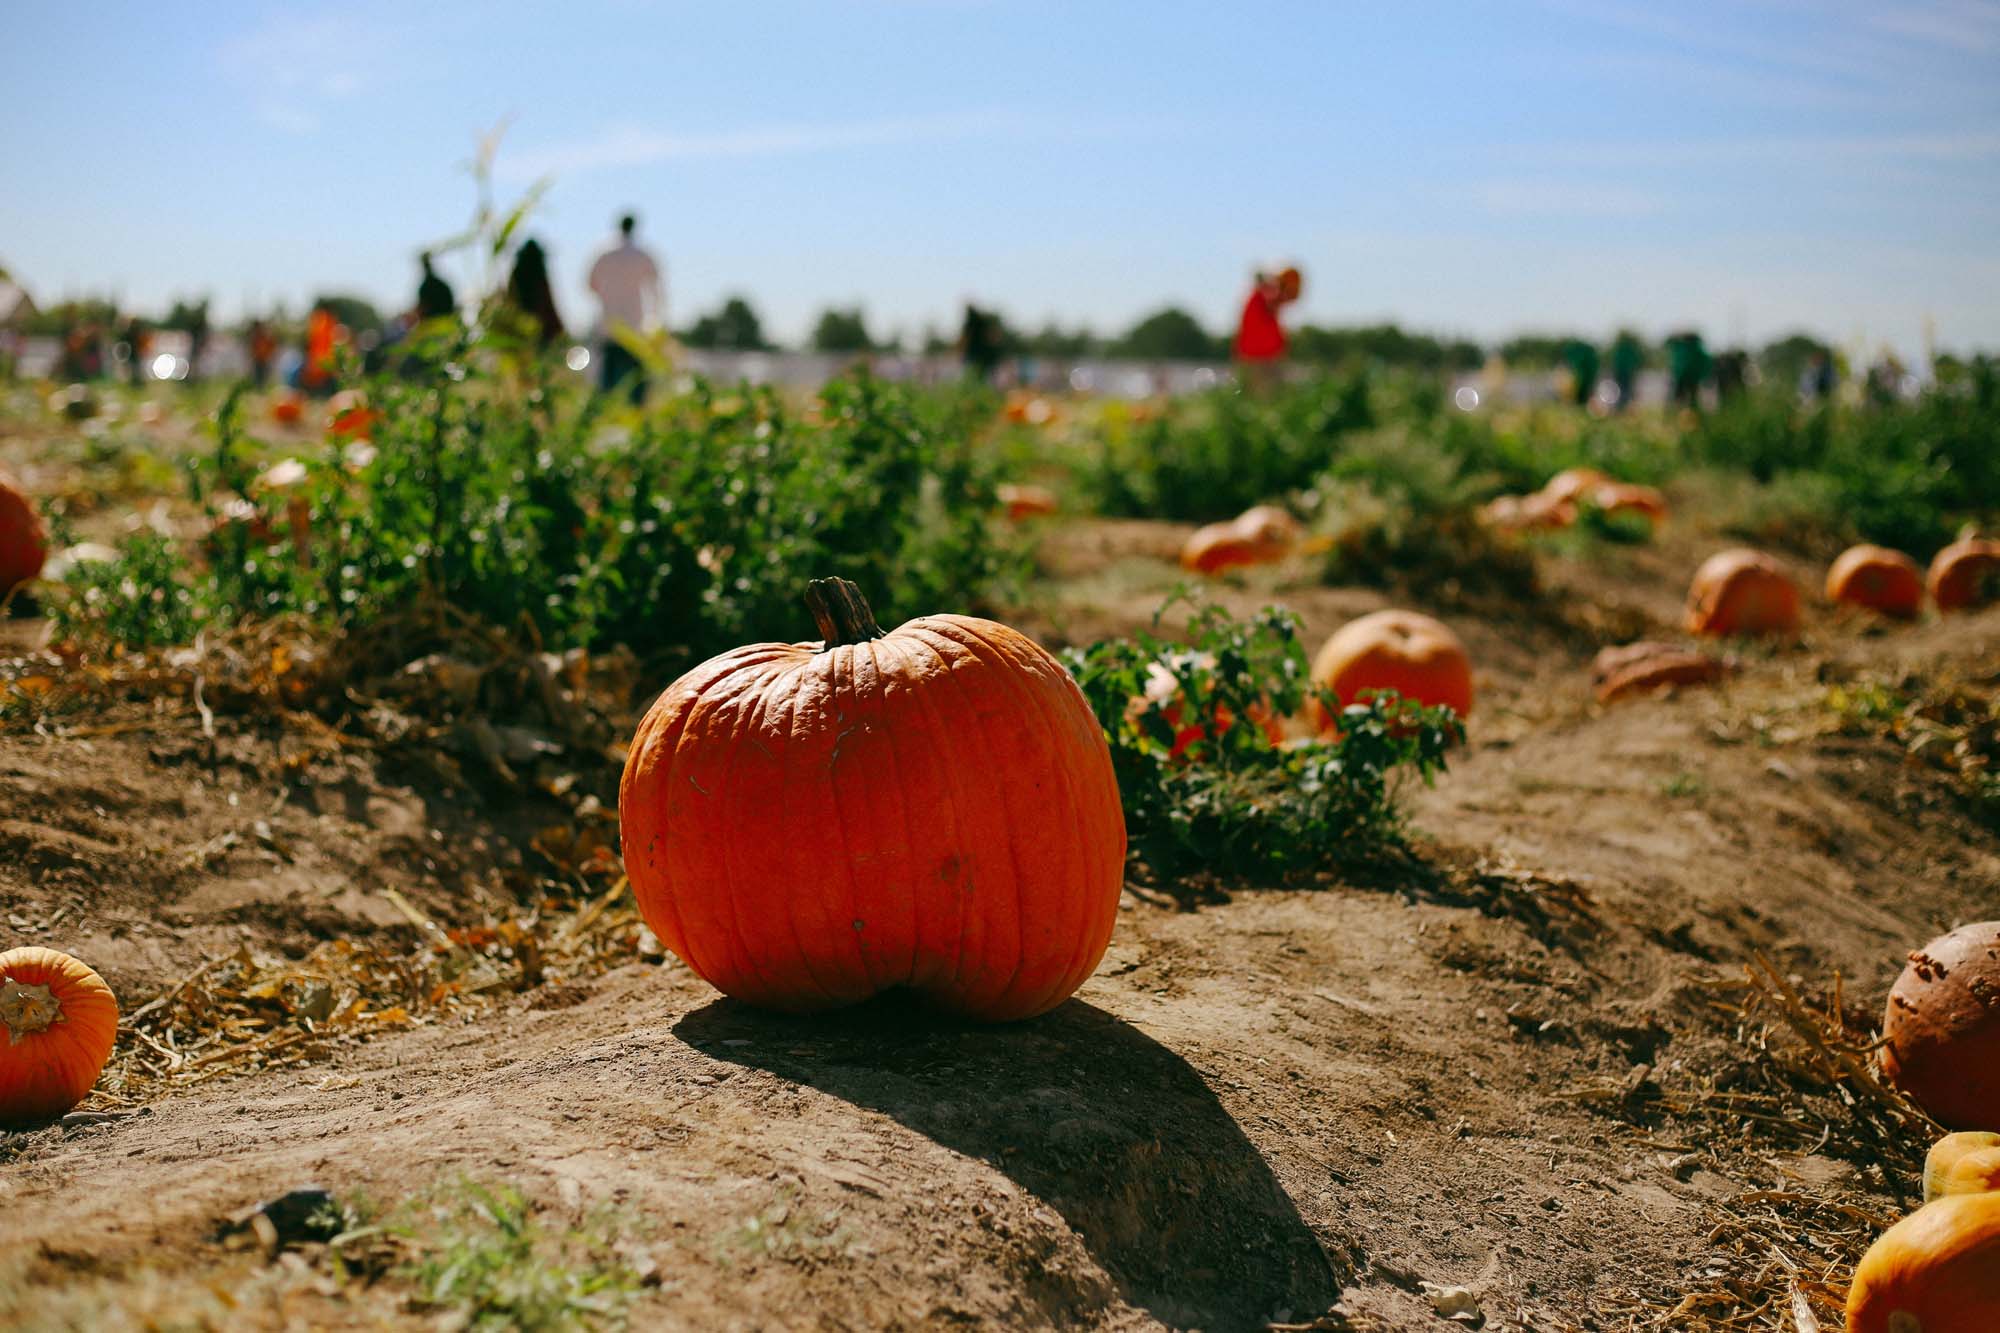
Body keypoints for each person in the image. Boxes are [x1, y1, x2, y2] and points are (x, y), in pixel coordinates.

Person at [587, 212, 665, 403]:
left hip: (609, 324)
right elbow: (656, 289)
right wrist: (654, 318)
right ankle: (636, 417)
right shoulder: (642, 254)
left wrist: (606, 298)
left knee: (607, 378)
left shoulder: (604, 252)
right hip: (635, 325)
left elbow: (590, 283)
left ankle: (603, 413)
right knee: (636, 381)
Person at [1233, 265, 1301, 389]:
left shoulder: (1257, 298)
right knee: (1267, 395)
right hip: (1260, 358)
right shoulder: (1262, 297)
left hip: (1261, 356)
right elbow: (1281, 299)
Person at [506, 239, 565, 347]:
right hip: (540, 334)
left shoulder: (516, 276)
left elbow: (509, 303)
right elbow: (549, 305)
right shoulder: (540, 277)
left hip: (515, 335)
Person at [959, 303, 1004, 383]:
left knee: (973, 375)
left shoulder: (970, 324)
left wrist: (961, 351)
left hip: (973, 354)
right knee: (986, 377)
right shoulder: (983, 322)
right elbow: (993, 337)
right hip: (985, 356)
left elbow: (965, 339)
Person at [415, 253, 455, 323]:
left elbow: (423, 309)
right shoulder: (441, 284)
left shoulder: (424, 288)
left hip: (435, 324)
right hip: (448, 320)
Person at [1560, 337, 1600, 407]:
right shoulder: (1588, 355)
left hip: (1582, 379)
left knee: (1583, 394)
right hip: (1580, 379)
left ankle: (1581, 405)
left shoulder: (1584, 356)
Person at [1609, 332, 1643, 412]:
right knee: (1623, 392)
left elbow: (1615, 362)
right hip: (1624, 374)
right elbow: (1636, 362)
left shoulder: (1620, 349)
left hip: (1623, 375)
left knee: (1622, 392)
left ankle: (1622, 408)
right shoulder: (1629, 349)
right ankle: (1621, 408)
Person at [247, 319, 277, 387]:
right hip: (258, 360)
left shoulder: (265, 336)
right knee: (257, 379)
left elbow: (272, 346)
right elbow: (251, 349)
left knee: (264, 378)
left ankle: (262, 390)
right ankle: (259, 389)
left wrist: (270, 355)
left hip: (264, 360)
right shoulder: (255, 337)